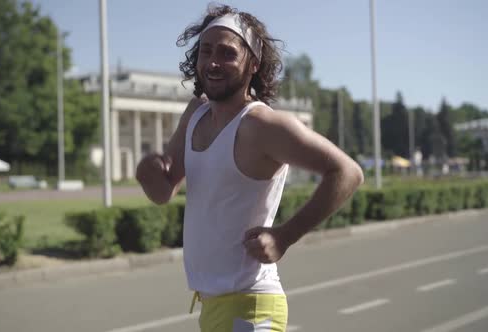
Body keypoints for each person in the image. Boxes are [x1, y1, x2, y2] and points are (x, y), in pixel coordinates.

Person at [136, 4, 364, 331]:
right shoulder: (196, 114)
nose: (213, 62)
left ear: (252, 64)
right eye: (206, 51)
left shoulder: (262, 125)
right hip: (214, 304)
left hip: (252, 305)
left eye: (228, 53)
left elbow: (348, 172)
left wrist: (285, 235)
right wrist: (147, 172)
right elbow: (163, 190)